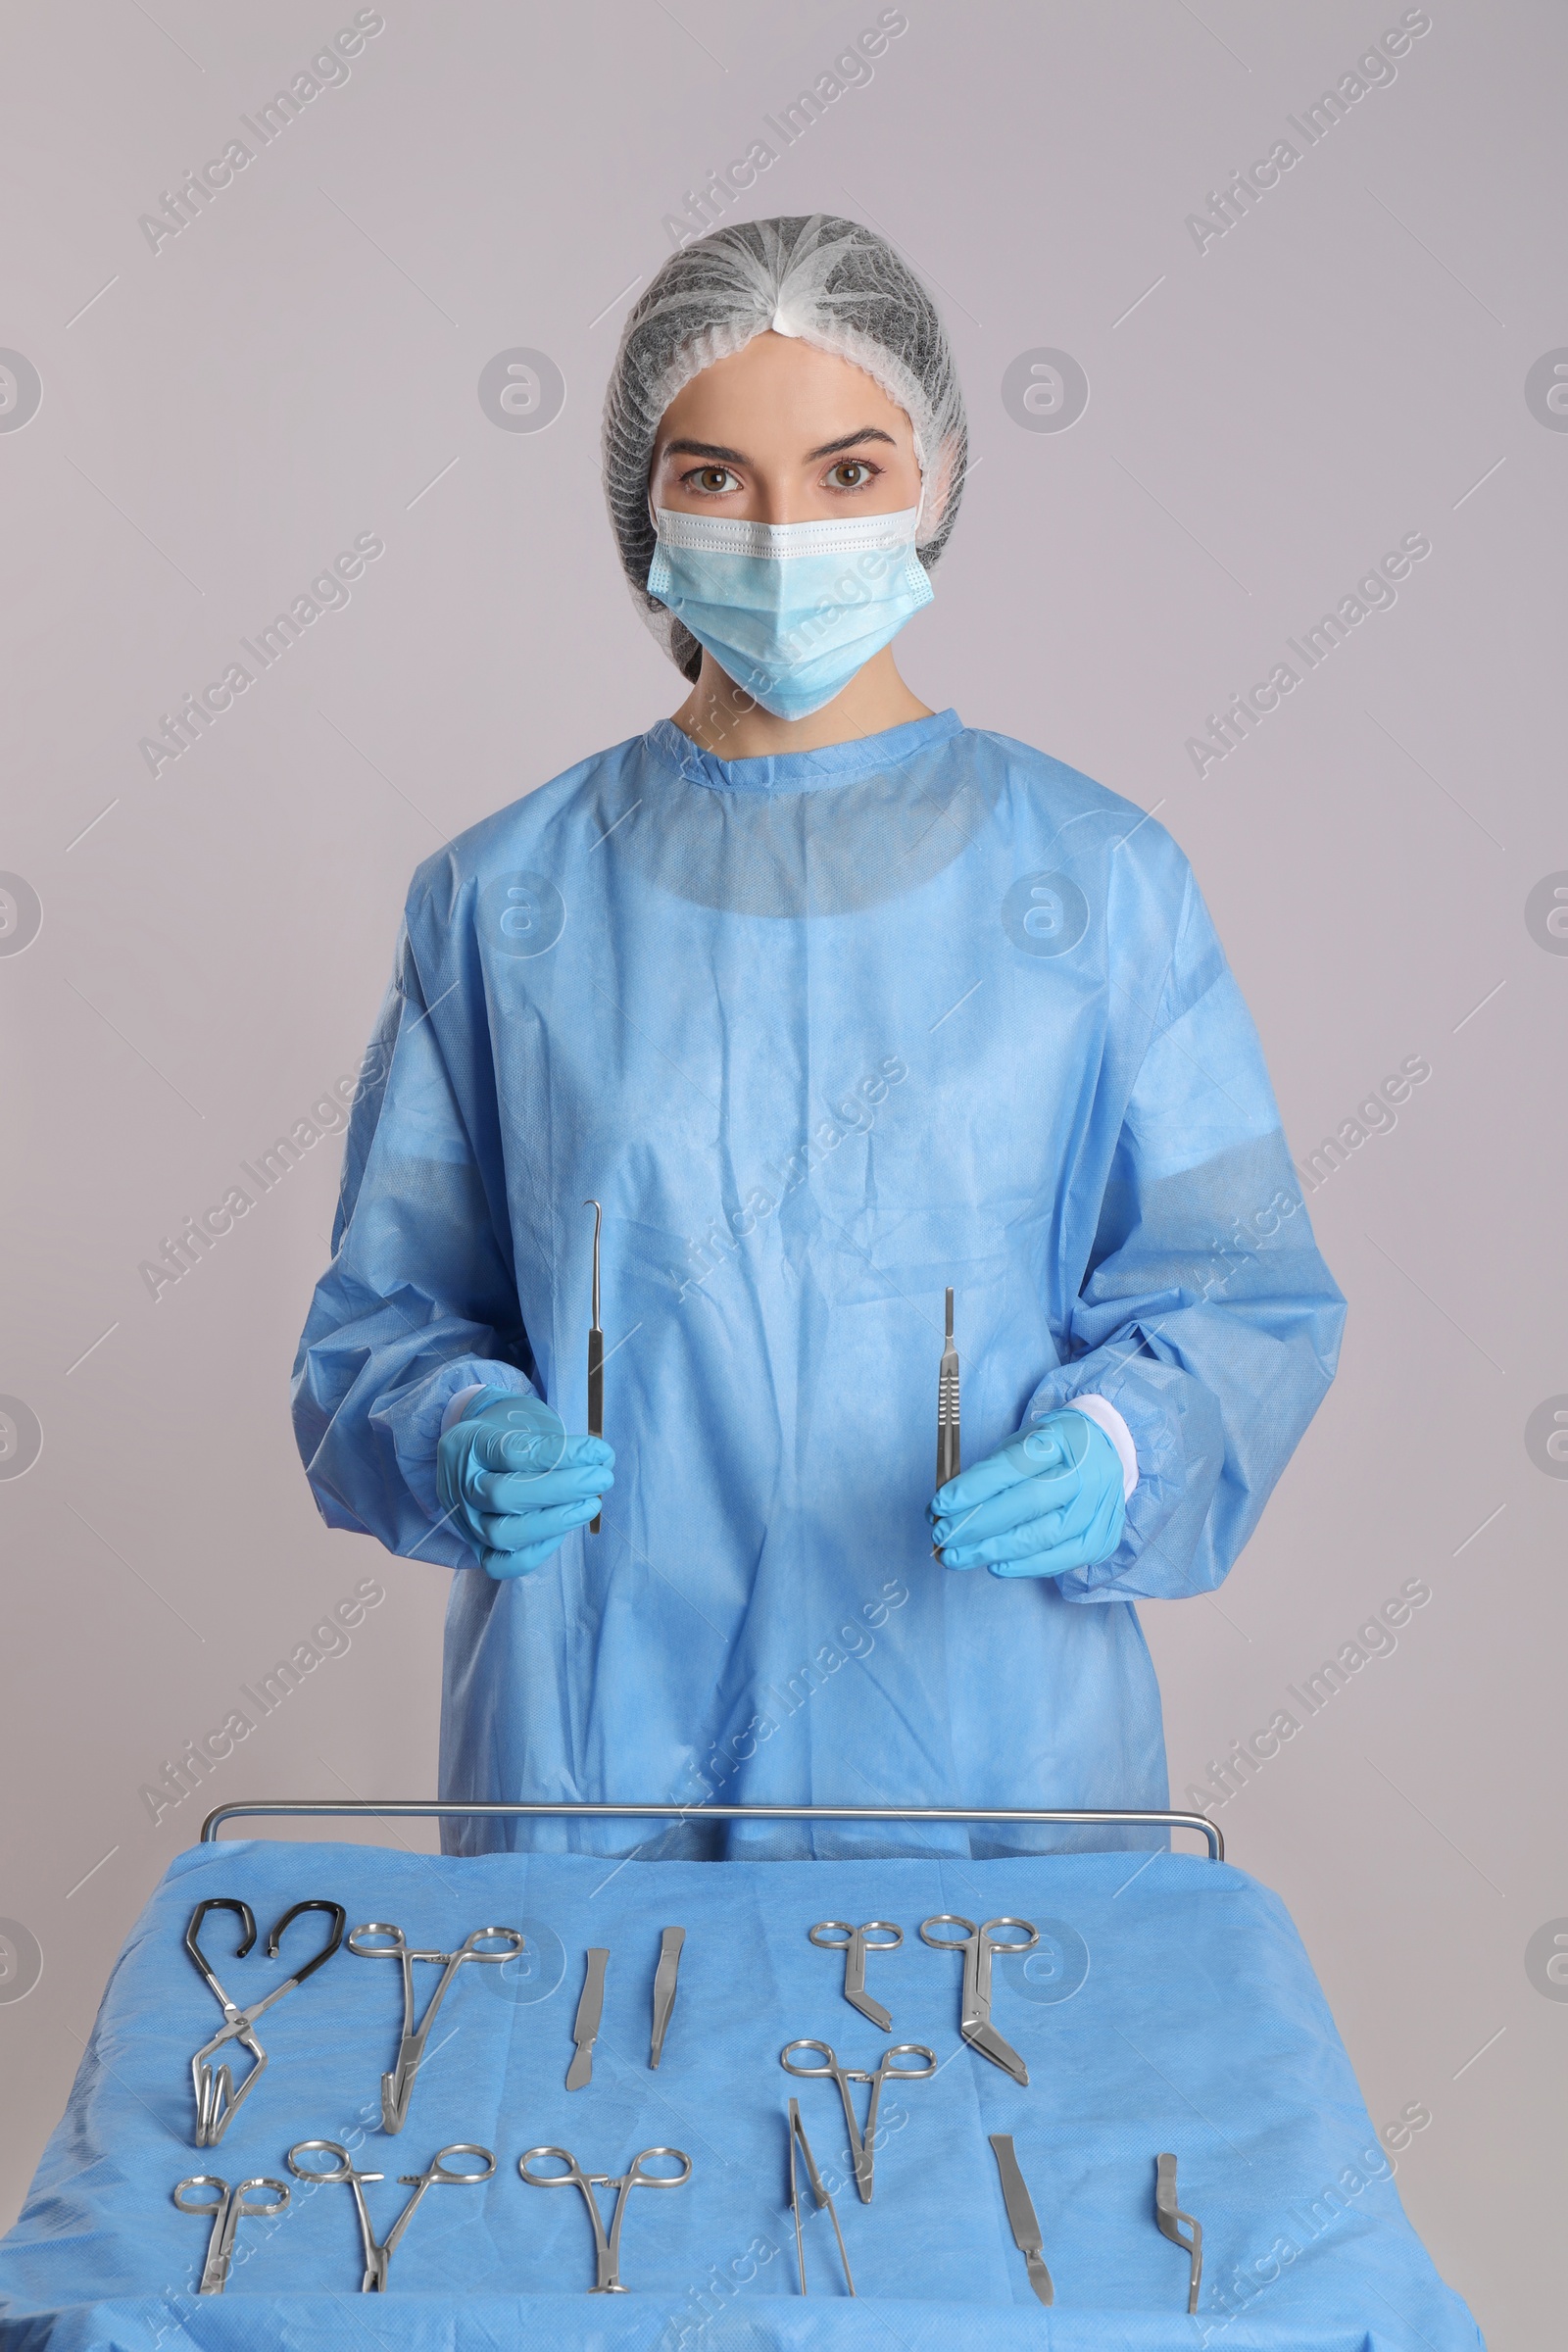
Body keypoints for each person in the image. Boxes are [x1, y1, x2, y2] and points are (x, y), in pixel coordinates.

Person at [293, 215, 1345, 1857]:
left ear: (936, 483)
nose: (785, 534)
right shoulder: (507, 902)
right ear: (642, 502)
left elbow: (1243, 1293)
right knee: (599, 2101)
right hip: (600, 1742)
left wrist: (1123, 1448)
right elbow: (383, 1323)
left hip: (981, 1742)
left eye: (848, 473)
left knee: (980, 2109)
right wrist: (454, 1429)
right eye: (717, 478)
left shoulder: (1099, 886)